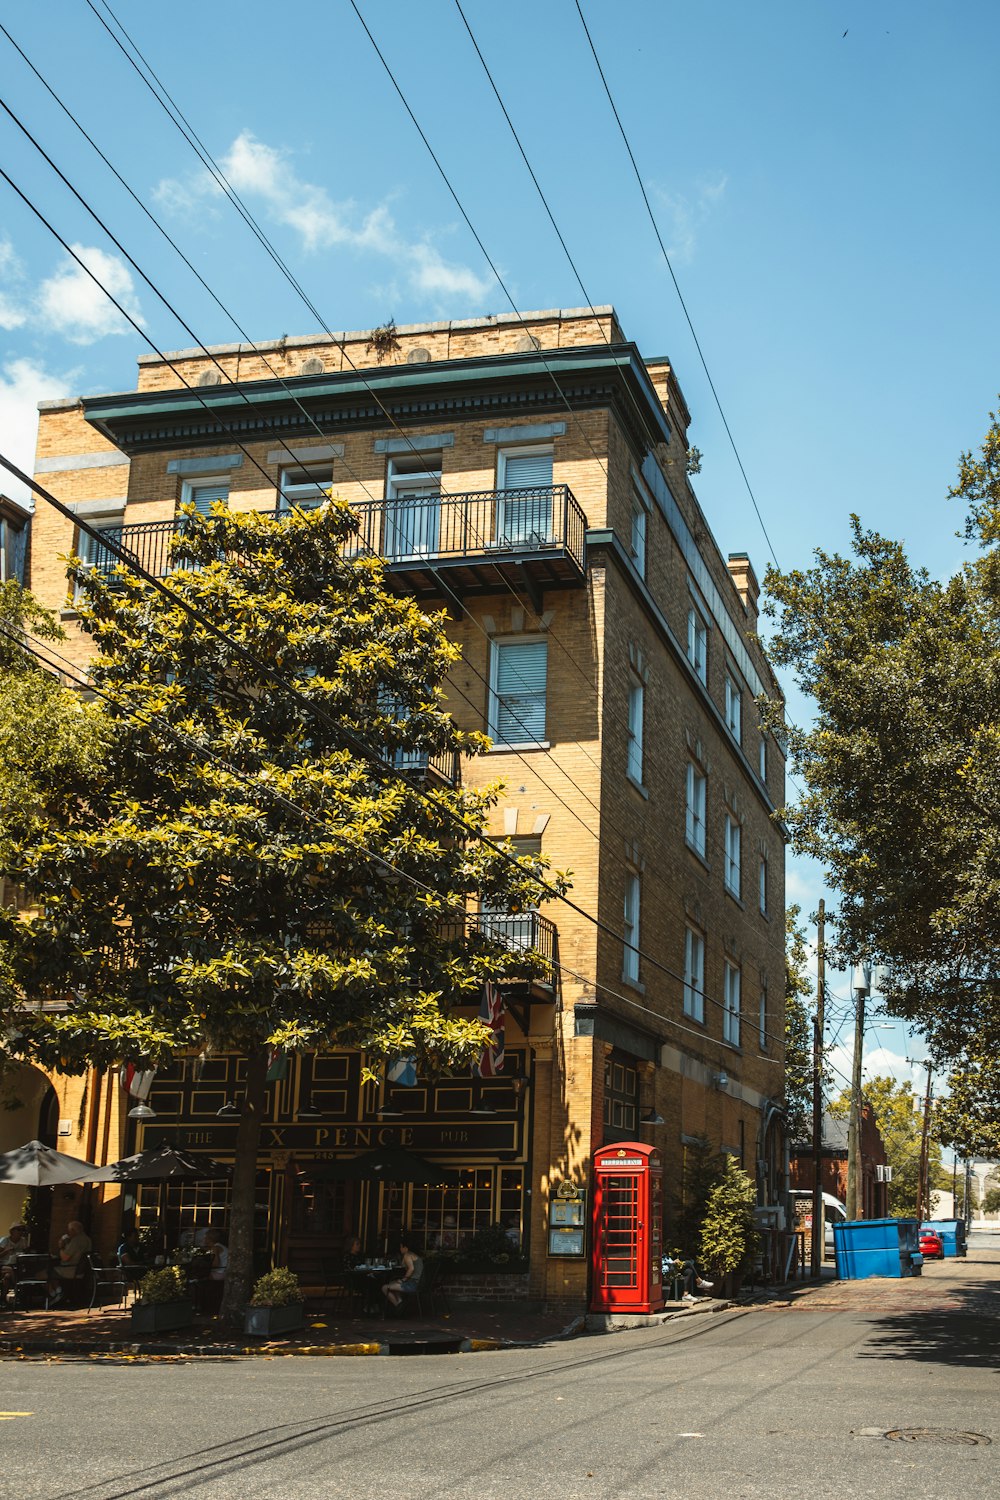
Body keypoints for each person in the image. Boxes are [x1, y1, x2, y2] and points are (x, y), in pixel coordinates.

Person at [48, 1220, 92, 1304]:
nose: (68, 1233)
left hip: (71, 1269)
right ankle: (60, 1293)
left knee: (47, 1272)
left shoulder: (76, 1240)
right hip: (81, 1269)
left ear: (73, 1230)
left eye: (69, 1230)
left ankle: (56, 1293)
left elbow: (65, 1258)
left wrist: (61, 1247)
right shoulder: (87, 1239)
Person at [381, 1237, 423, 1313]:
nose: (400, 1249)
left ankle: (399, 1306)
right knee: (393, 1283)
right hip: (419, 1283)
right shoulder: (414, 1255)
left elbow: (411, 1269)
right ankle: (401, 1303)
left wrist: (403, 1280)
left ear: (405, 1248)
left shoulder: (407, 1255)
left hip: (413, 1284)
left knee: (384, 1287)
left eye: (401, 1247)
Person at [0, 1223, 30, 1300]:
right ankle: (17, 1287)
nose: (21, 1232)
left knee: (7, 1277)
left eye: (22, 1230)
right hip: (4, 1264)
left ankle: (3, 1299)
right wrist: (6, 1251)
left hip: (17, 1265)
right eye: (19, 1230)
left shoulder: (23, 1241)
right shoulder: (5, 1241)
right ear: (12, 1231)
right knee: (10, 1270)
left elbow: (26, 1252)